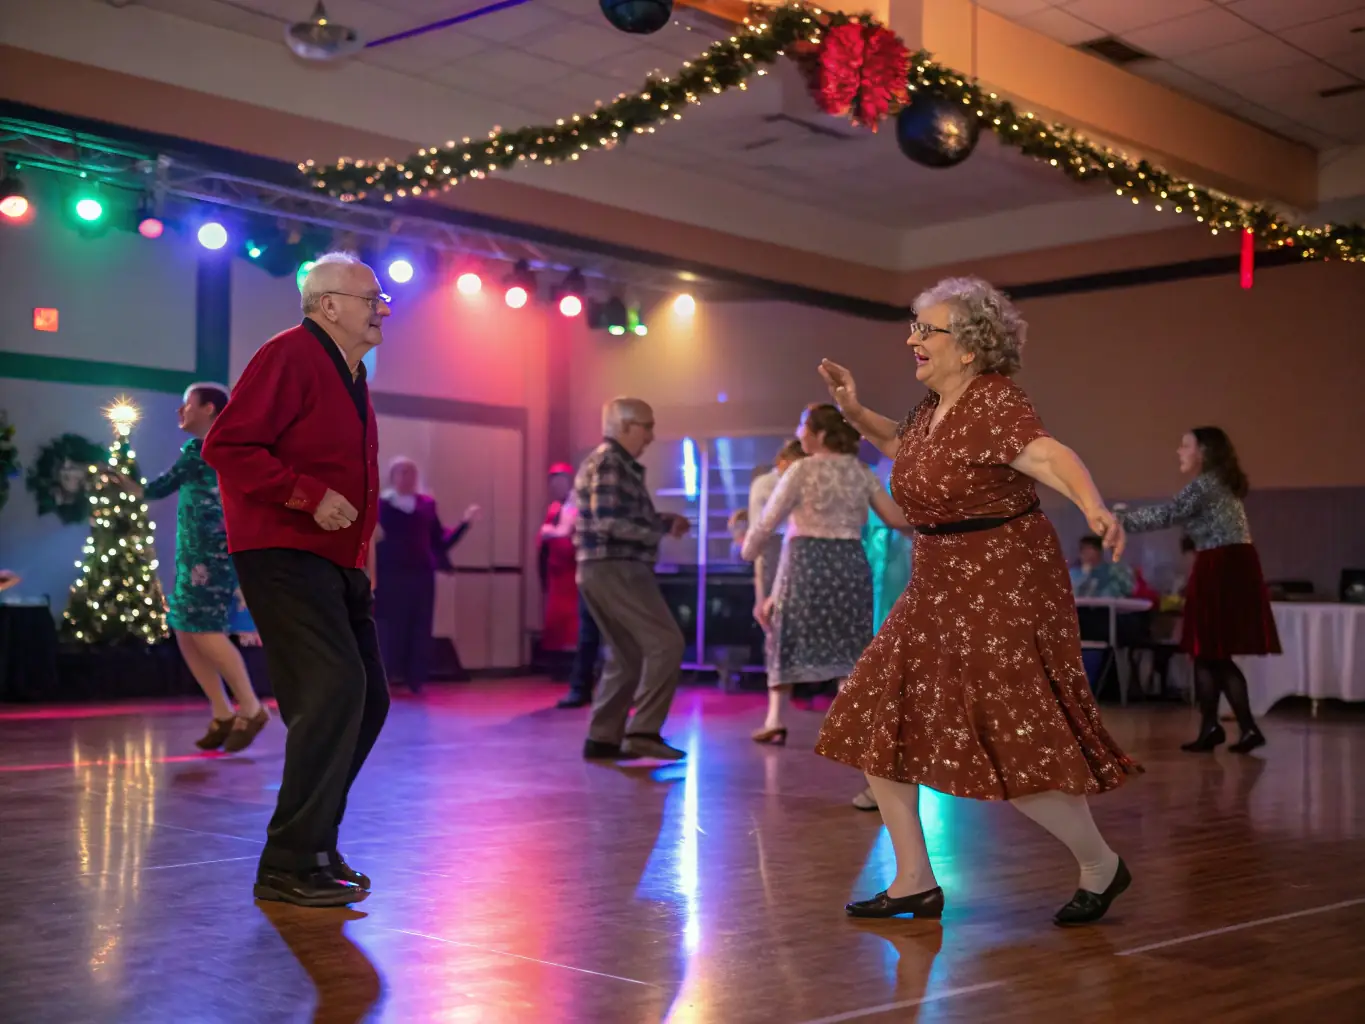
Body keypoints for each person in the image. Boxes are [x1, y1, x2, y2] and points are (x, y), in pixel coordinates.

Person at [814, 276, 1141, 927]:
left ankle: (1100, 864)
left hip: (1001, 580)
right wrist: (853, 411)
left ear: (968, 347)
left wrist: (1093, 505)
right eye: (914, 327)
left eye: (926, 330)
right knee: (874, 712)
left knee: (1011, 738)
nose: (912, 339)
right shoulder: (932, 409)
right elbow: (904, 447)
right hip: (937, 579)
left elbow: (1046, 455)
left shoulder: (993, 401)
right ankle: (913, 880)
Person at [203, 251, 390, 908]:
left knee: (367, 699)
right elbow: (226, 446)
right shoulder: (289, 353)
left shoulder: (351, 372)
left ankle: (315, 846)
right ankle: (288, 859)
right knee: (333, 689)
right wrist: (305, 495)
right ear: (328, 304)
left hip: (335, 559)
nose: (382, 310)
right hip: (283, 551)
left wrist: (358, 555)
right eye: (371, 299)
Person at [741, 405, 909, 747]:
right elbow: (894, 518)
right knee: (849, 641)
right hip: (849, 562)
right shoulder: (860, 471)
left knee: (785, 634)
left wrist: (747, 551)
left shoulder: (801, 470)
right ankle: (850, 723)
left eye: (803, 426)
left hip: (806, 562)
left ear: (820, 435)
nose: (798, 433)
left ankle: (775, 720)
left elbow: (768, 521)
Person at [121, 383, 269, 752]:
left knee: (204, 631)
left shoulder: (218, 450)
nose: (180, 411)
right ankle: (222, 712)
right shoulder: (201, 451)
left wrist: (127, 480)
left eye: (187, 404)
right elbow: (151, 490)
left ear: (209, 409)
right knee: (186, 631)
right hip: (192, 555)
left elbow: (154, 489)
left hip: (212, 556)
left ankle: (252, 709)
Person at [1118, 428, 1280, 754]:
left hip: (1220, 566)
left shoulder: (1206, 485)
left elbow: (1168, 514)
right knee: (1209, 652)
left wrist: (1119, 520)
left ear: (1204, 451)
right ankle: (1216, 727)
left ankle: (1237, 727)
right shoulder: (1218, 483)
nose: (1179, 451)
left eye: (1185, 446)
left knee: (1210, 649)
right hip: (1228, 564)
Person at [574, 397, 690, 761]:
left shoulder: (613, 463)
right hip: (617, 567)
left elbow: (613, 517)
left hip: (601, 568)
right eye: (647, 426)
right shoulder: (611, 462)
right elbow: (607, 522)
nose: (651, 436)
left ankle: (603, 738)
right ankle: (643, 731)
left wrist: (660, 521)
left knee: (626, 655)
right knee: (666, 642)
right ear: (624, 425)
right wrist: (657, 530)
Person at [374, 456, 479, 694]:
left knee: (420, 626)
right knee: (391, 627)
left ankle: (415, 680)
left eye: (411, 472)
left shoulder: (427, 505)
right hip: (391, 574)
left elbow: (440, 542)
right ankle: (388, 677)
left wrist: (464, 523)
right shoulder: (382, 505)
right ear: (392, 476)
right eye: (401, 472)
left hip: (421, 574)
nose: (407, 477)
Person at [746, 440, 807, 629]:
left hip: (794, 551)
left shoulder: (802, 483)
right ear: (783, 462)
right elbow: (760, 528)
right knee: (772, 615)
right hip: (773, 549)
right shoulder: (766, 483)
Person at [538, 462, 586, 703]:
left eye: (561, 480)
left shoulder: (573, 507)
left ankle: (573, 670)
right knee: (558, 621)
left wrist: (552, 533)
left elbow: (565, 534)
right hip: (557, 574)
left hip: (572, 573)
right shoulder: (556, 508)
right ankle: (560, 667)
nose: (557, 485)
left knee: (572, 622)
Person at [1070, 534, 1136, 598]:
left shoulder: (1114, 571)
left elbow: (1127, 590)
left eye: (1090, 549)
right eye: (1083, 550)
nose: (1086, 554)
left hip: (1109, 604)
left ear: (1099, 551)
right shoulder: (1073, 574)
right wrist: (1085, 575)